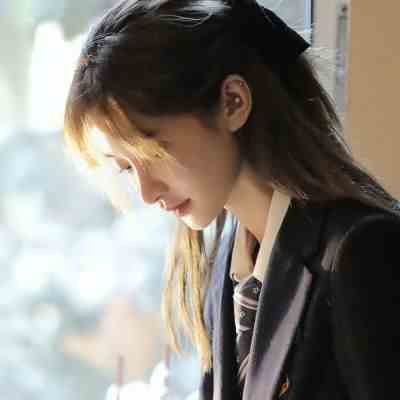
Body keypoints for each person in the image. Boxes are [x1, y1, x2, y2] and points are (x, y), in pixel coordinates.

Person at [63, 0, 400, 399]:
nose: (147, 193)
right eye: (125, 168)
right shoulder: (226, 269)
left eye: (154, 154)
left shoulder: (363, 252)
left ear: (233, 102)